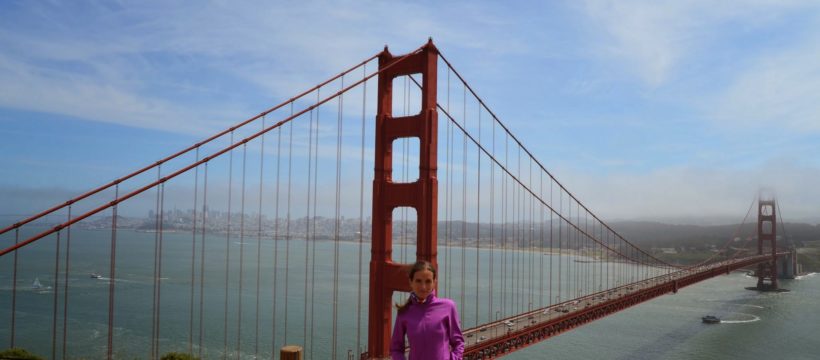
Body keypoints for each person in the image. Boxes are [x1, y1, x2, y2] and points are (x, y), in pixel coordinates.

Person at [390, 260, 464, 360]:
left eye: (428, 281)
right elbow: (396, 348)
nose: (423, 287)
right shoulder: (404, 312)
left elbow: (458, 342)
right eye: (418, 281)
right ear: (411, 282)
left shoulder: (448, 307)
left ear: (434, 282)